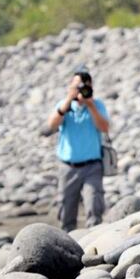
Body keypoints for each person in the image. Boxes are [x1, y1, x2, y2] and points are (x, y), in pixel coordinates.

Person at [47, 66, 110, 232]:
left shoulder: (97, 105)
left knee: (94, 205)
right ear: (71, 87)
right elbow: (51, 125)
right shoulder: (64, 106)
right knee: (66, 208)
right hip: (68, 167)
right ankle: (67, 239)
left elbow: (104, 128)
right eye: (78, 87)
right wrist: (69, 99)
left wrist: (90, 106)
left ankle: (94, 239)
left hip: (92, 166)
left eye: (85, 87)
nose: (82, 91)